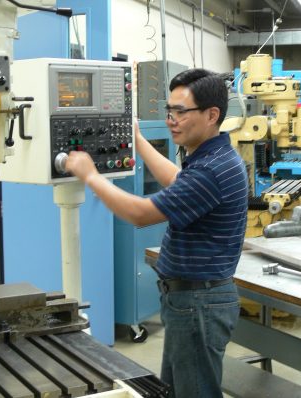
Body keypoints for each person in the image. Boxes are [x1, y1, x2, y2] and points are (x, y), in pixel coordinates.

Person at [65, 68, 248, 398]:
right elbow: (177, 180)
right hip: (189, 300)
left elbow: (141, 214)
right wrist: (136, 140)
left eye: (180, 112)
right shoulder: (213, 156)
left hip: (198, 302)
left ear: (212, 115)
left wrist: (91, 176)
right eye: (169, 110)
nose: (171, 119)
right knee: (174, 391)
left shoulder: (212, 169)